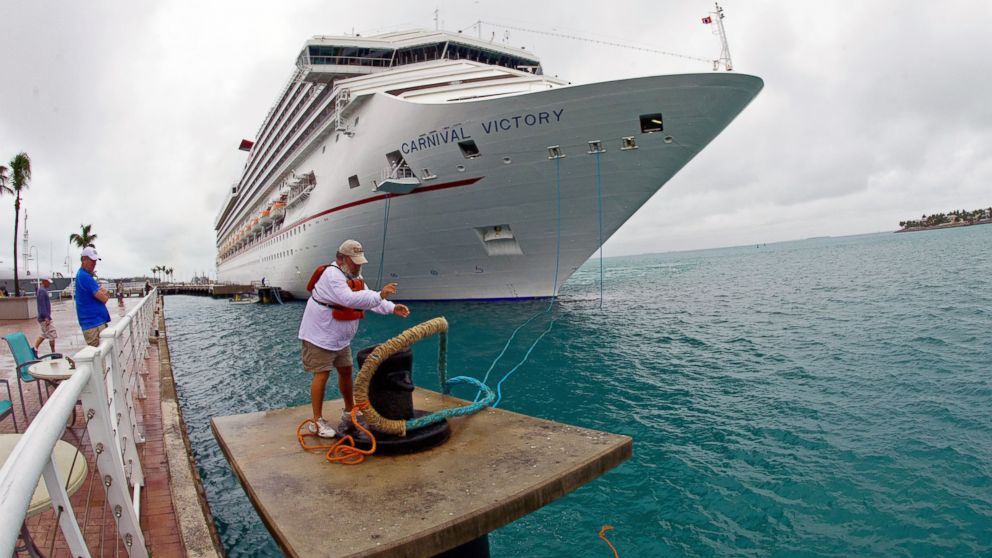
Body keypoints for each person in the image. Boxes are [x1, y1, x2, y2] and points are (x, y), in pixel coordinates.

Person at [298, 239, 410, 437]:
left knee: (346, 370)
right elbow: (349, 299)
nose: (358, 266)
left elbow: (367, 297)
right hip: (320, 335)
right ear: (340, 259)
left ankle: (349, 412)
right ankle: (317, 421)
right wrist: (380, 295)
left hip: (339, 337)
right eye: (354, 262)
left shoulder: (354, 274)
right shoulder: (332, 275)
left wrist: (392, 307)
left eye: (360, 262)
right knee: (322, 374)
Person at [75, 247, 111, 347]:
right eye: (92, 261)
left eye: (95, 261)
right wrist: (105, 293)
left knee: (102, 355)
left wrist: (102, 292)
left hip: (95, 323)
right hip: (93, 325)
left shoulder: (84, 275)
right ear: (84, 260)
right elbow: (104, 298)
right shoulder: (84, 277)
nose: (94, 264)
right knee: (99, 357)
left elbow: (100, 293)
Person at [33, 276, 57, 354]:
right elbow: (42, 305)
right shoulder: (42, 291)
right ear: (44, 281)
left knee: (44, 334)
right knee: (52, 334)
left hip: (43, 317)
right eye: (48, 282)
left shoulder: (41, 290)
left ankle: (35, 348)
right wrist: (46, 317)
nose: (49, 284)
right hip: (45, 317)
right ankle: (53, 353)